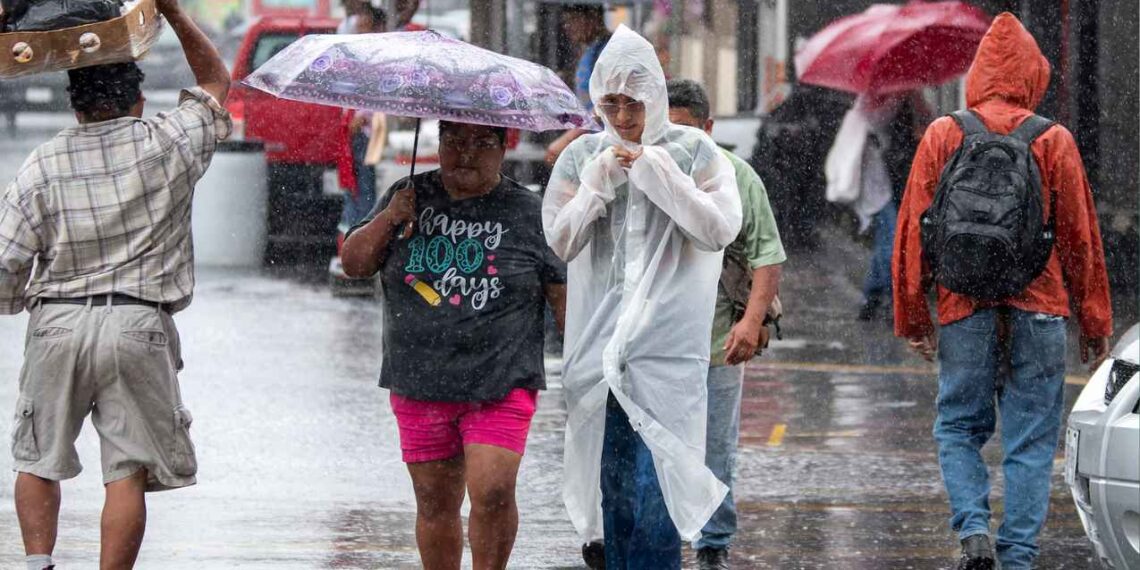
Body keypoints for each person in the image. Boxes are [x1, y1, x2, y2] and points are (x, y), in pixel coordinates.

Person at [0, 1, 231, 568]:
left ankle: (37, 563)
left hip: (56, 323)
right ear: (138, 98)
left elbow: (6, 265)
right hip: (138, 322)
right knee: (125, 470)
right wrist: (173, 11)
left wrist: (15, 303)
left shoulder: (42, 165)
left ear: (75, 106)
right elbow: (215, 81)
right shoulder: (168, 144)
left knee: (38, 456)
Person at [893, 13, 1113, 570]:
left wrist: (914, 318)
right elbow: (1081, 239)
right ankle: (1017, 555)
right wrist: (1095, 323)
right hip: (1039, 309)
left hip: (964, 306)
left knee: (958, 428)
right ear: (1034, 75)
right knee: (1032, 442)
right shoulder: (1053, 139)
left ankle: (973, 531)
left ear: (978, 74)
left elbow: (912, 234)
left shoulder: (945, 133)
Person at [544, 25, 741, 569]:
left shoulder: (695, 152)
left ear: (655, 96)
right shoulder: (582, 157)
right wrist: (595, 188)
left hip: (665, 353)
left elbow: (718, 229)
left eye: (635, 103)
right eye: (611, 103)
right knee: (617, 494)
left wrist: (664, 179)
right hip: (600, 353)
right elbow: (561, 239)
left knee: (659, 493)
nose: (625, 117)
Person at [340, 120, 567, 570]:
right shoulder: (407, 197)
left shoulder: (530, 212)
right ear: (438, 143)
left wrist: (587, 363)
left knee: (494, 490)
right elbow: (354, 263)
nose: (466, 153)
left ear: (505, 148)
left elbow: (562, 295)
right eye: (454, 142)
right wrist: (389, 218)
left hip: (502, 379)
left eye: (483, 143)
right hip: (419, 377)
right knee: (435, 503)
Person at [666, 78, 785, 570]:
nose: (680, 145)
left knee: (716, 447)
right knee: (662, 445)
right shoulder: (649, 173)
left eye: (689, 132)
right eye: (668, 132)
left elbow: (767, 257)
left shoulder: (739, 177)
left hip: (719, 341)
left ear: (709, 129)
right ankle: (661, 531)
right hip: (660, 344)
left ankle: (713, 542)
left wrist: (751, 321)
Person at [825, 92, 923, 321]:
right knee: (890, 245)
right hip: (878, 192)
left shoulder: (868, 115)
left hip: (885, 188)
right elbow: (877, 126)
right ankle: (888, 298)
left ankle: (873, 297)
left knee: (885, 244)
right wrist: (903, 99)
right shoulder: (867, 114)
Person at [544, 3, 611, 166]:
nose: (568, 27)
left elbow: (608, 101)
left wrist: (569, 138)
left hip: (603, 145)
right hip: (589, 143)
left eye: (573, 20)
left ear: (592, 19)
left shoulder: (606, 50)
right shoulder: (589, 49)